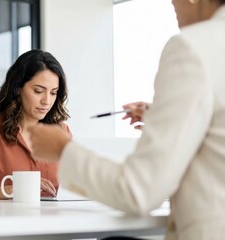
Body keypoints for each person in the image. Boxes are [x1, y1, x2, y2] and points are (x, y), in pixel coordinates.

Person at [29, 0, 225, 239]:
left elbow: (139, 190)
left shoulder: (192, 47)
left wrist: (63, 150)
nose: (171, 4)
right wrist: (164, 118)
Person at [0, 49, 71, 199]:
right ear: (17, 88)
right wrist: (20, 188)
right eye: (38, 91)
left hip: (56, 220)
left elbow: (75, 183)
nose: (47, 101)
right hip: (5, 220)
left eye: (53, 93)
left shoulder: (62, 131)